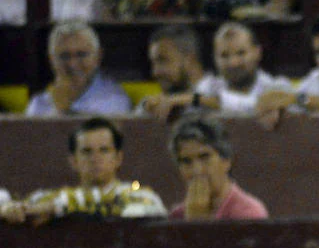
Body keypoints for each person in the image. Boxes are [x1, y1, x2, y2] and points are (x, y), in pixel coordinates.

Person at [1, 118, 166, 225]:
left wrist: (57, 207)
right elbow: (21, 207)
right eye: (87, 151)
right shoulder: (49, 198)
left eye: (104, 150)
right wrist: (8, 208)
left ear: (118, 158)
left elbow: (139, 209)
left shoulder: (143, 197)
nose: (95, 158)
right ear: (73, 161)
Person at [168, 115, 269, 220]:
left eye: (205, 157)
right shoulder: (177, 216)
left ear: (226, 161)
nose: (197, 170)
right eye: (186, 161)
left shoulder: (249, 213)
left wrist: (197, 222)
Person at [25, 22, 132, 117]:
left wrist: (64, 111)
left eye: (81, 54)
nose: (73, 64)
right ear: (51, 60)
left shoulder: (115, 99)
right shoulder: (38, 104)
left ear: (98, 56)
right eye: (64, 56)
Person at [197, 21, 295, 114]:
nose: (233, 63)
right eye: (224, 55)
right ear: (214, 58)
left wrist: (204, 101)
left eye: (241, 53)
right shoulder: (207, 87)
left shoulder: (277, 86)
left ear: (257, 52)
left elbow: (257, 107)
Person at [140, 25, 207, 123]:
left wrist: (179, 100)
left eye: (162, 60)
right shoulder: (161, 100)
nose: (155, 72)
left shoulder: (218, 89)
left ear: (190, 60)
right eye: (153, 63)